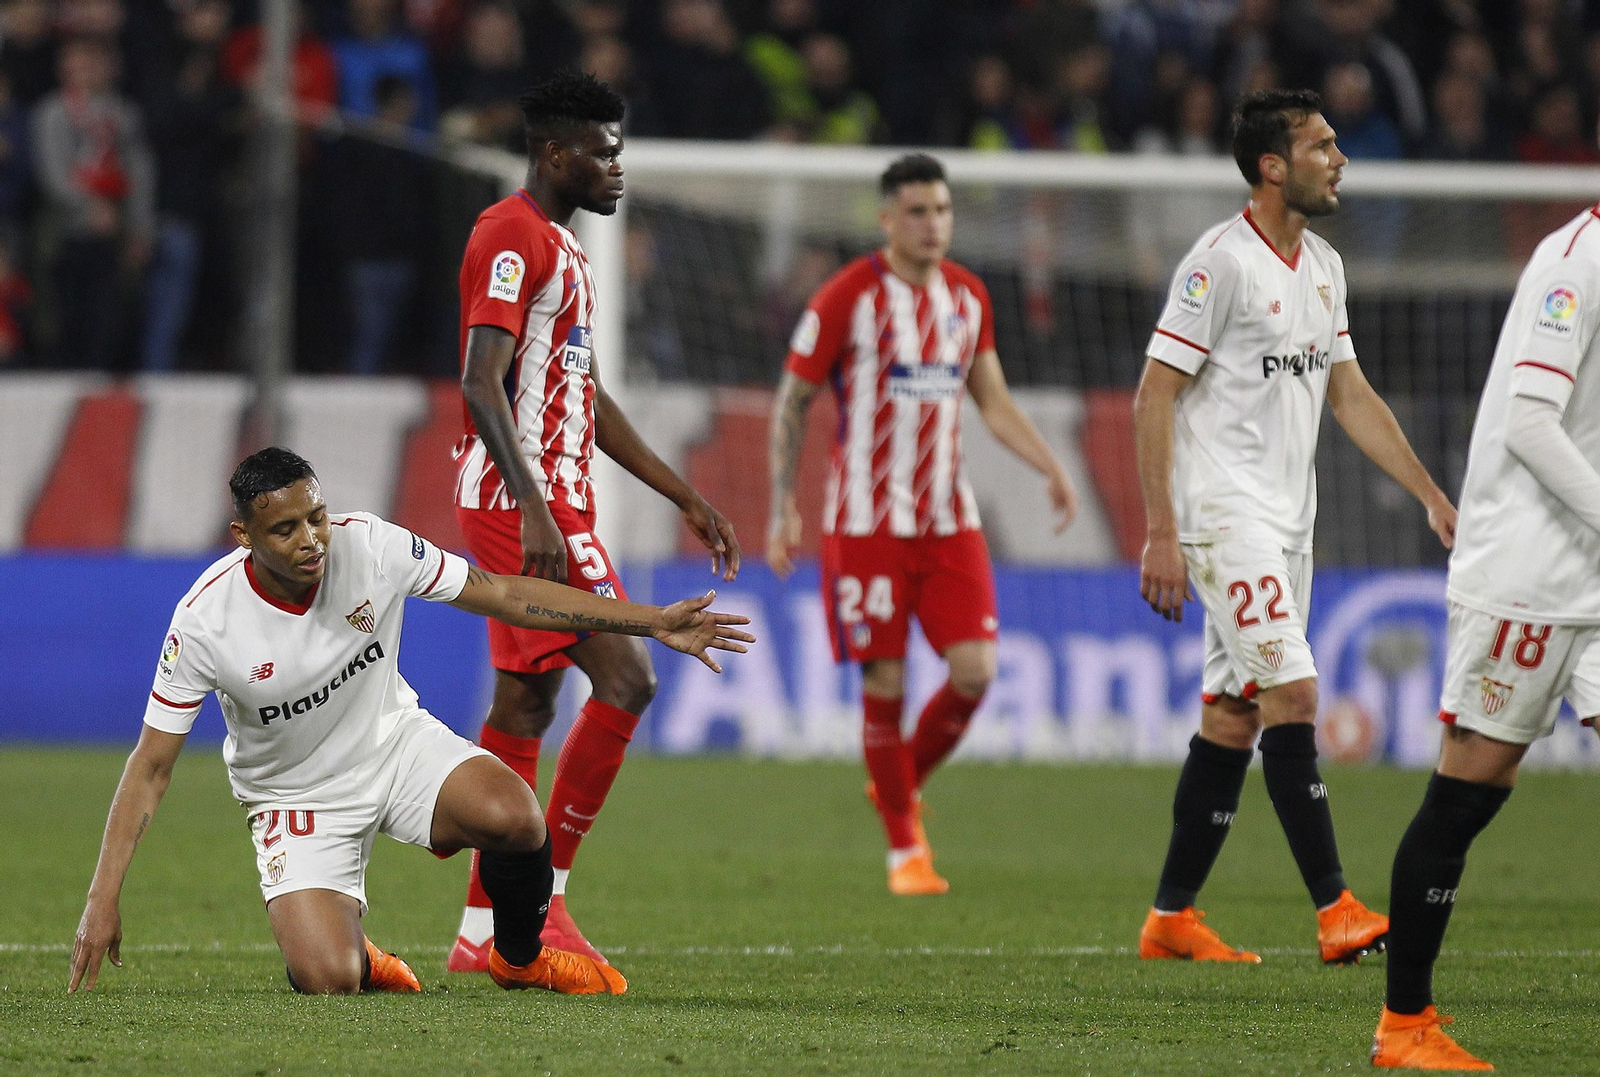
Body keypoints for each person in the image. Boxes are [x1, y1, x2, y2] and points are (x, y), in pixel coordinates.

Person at [67, 447, 753, 997]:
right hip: (295, 796)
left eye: (317, 516)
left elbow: (507, 593)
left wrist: (653, 619)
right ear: (243, 536)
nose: (312, 540)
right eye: (285, 528)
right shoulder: (204, 620)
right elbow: (150, 765)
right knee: (326, 977)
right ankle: (355, 953)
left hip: (393, 745)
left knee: (516, 815)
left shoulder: (370, 545)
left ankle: (517, 958)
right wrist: (103, 898)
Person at [1132, 89, 1456, 964]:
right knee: (1295, 695)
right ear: (1273, 166)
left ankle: (1171, 917)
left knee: (1235, 715)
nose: (1340, 157)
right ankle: (1336, 907)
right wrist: (1162, 529)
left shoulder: (1322, 267)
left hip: (1288, 522)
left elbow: (1348, 393)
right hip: (1221, 514)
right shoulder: (1219, 265)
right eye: (1322, 145)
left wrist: (1432, 494)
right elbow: (1155, 390)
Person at [447, 70, 741, 971]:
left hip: (550, 497)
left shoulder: (564, 251)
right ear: (554, 154)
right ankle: (547, 907)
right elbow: (478, 379)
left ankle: (479, 932)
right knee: (629, 677)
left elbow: (586, 394)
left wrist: (681, 492)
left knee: (527, 700)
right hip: (522, 501)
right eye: (605, 154)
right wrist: (534, 504)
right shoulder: (510, 234)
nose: (619, 170)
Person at [766, 152, 1078, 896]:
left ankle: (895, 783)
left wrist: (1051, 465)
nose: (932, 224)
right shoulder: (848, 296)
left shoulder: (968, 296)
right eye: (916, 212)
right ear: (886, 220)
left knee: (975, 671)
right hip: (867, 522)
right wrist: (783, 502)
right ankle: (906, 849)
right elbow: (793, 398)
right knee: (887, 676)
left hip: (947, 519)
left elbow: (993, 400)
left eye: (941, 210)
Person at [1368, 153, 1600, 1076]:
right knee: (1470, 789)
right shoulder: (1576, 260)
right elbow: (1530, 423)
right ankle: (1405, 1025)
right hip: (1531, 577)